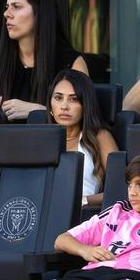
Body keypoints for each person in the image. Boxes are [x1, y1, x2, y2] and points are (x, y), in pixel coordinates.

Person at [27, 152, 140, 280]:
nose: (132, 193)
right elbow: (61, 240)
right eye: (130, 185)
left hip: (131, 276)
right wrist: (85, 250)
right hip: (90, 273)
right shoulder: (116, 212)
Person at [0, 0, 88, 121]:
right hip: (5, 142)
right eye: (7, 7)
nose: (7, 14)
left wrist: (39, 111)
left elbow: (85, 122)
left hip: (52, 143)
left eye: (16, 7)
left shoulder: (71, 63)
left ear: (40, 12)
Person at [47, 69, 118, 207]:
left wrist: (84, 200)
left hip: (83, 218)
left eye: (74, 99)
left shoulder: (99, 137)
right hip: (41, 214)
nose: (64, 106)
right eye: (58, 98)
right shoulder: (39, 137)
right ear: (50, 105)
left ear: (86, 105)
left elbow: (120, 189)